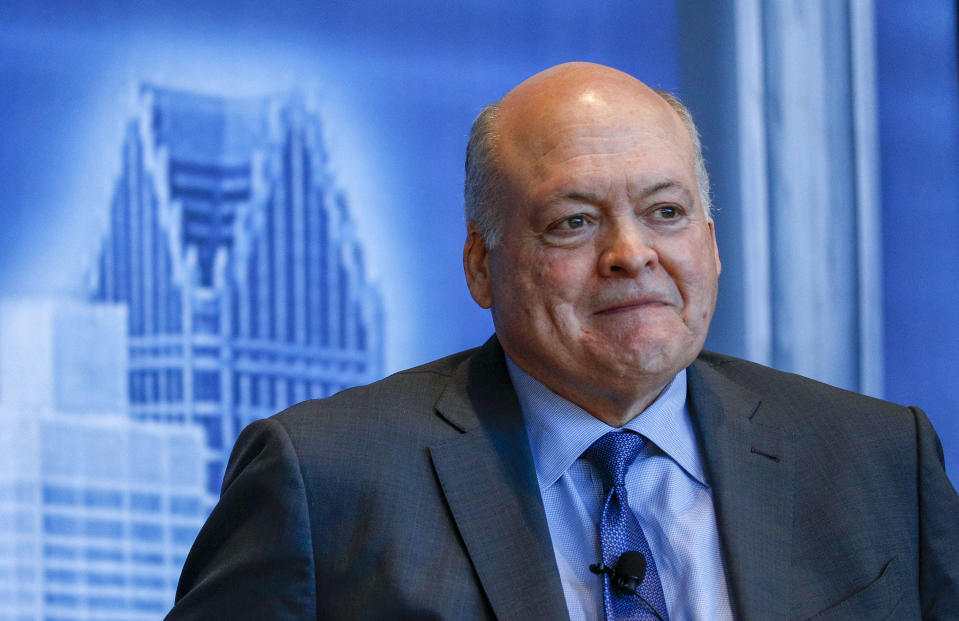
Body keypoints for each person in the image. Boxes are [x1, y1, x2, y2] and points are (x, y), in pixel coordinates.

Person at [166, 62, 959, 620]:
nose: (630, 254)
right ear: (482, 265)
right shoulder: (325, 479)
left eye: (665, 212)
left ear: (711, 246)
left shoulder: (881, 459)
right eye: (572, 221)